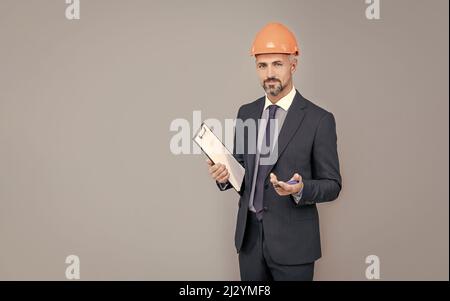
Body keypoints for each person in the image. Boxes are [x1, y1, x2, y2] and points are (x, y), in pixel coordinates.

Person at [206, 22, 342, 281]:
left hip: (294, 247)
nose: (269, 73)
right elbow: (243, 171)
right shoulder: (246, 113)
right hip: (249, 244)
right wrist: (224, 175)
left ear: (293, 64)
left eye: (277, 64)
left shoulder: (319, 119)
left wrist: (300, 189)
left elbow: (333, 184)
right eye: (262, 65)